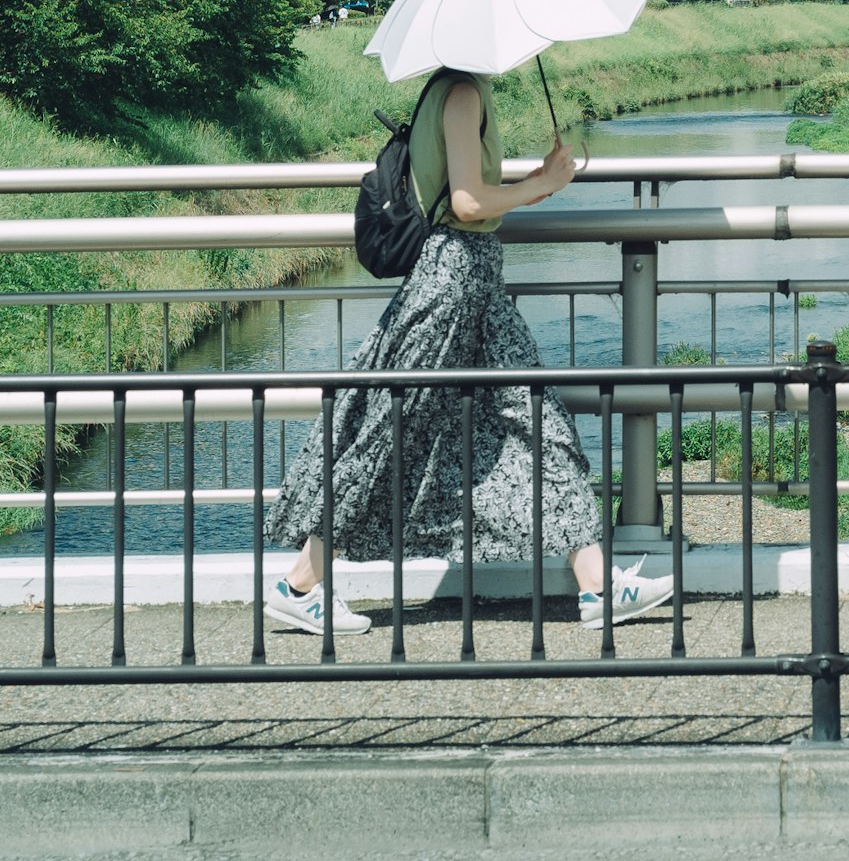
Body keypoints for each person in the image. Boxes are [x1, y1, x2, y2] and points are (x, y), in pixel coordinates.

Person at [265, 64, 676, 637]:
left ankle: (599, 586)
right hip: (451, 283)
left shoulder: (465, 91)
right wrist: (547, 184)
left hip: (476, 283)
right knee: (391, 428)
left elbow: (473, 191)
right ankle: (298, 585)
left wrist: (532, 177)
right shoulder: (460, 93)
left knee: (536, 419)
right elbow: (465, 202)